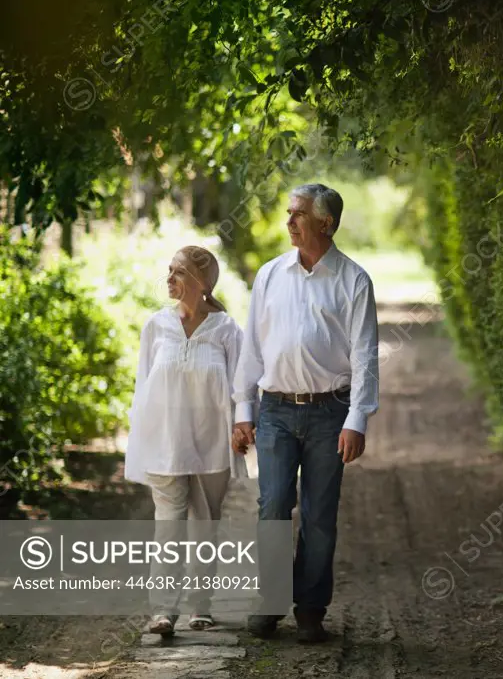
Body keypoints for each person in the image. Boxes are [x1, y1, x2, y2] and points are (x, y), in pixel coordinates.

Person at [231, 183, 379, 643]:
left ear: (326, 223)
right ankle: (270, 601)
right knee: (273, 504)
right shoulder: (271, 274)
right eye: (289, 212)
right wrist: (243, 408)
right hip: (274, 409)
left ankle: (311, 608)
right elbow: (252, 347)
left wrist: (357, 418)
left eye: (298, 214)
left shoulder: (354, 280)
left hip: (329, 413)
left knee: (319, 514)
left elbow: (365, 355)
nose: (289, 221)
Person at [125, 245, 249, 636]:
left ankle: (201, 605)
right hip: (164, 441)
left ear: (201, 282)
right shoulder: (156, 326)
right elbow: (142, 387)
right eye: (169, 271)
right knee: (168, 525)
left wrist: (244, 424)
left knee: (205, 525)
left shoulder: (227, 329)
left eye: (178, 272)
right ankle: (163, 609)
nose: (169, 279)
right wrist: (139, 435)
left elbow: (242, 387)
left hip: (213, 444)